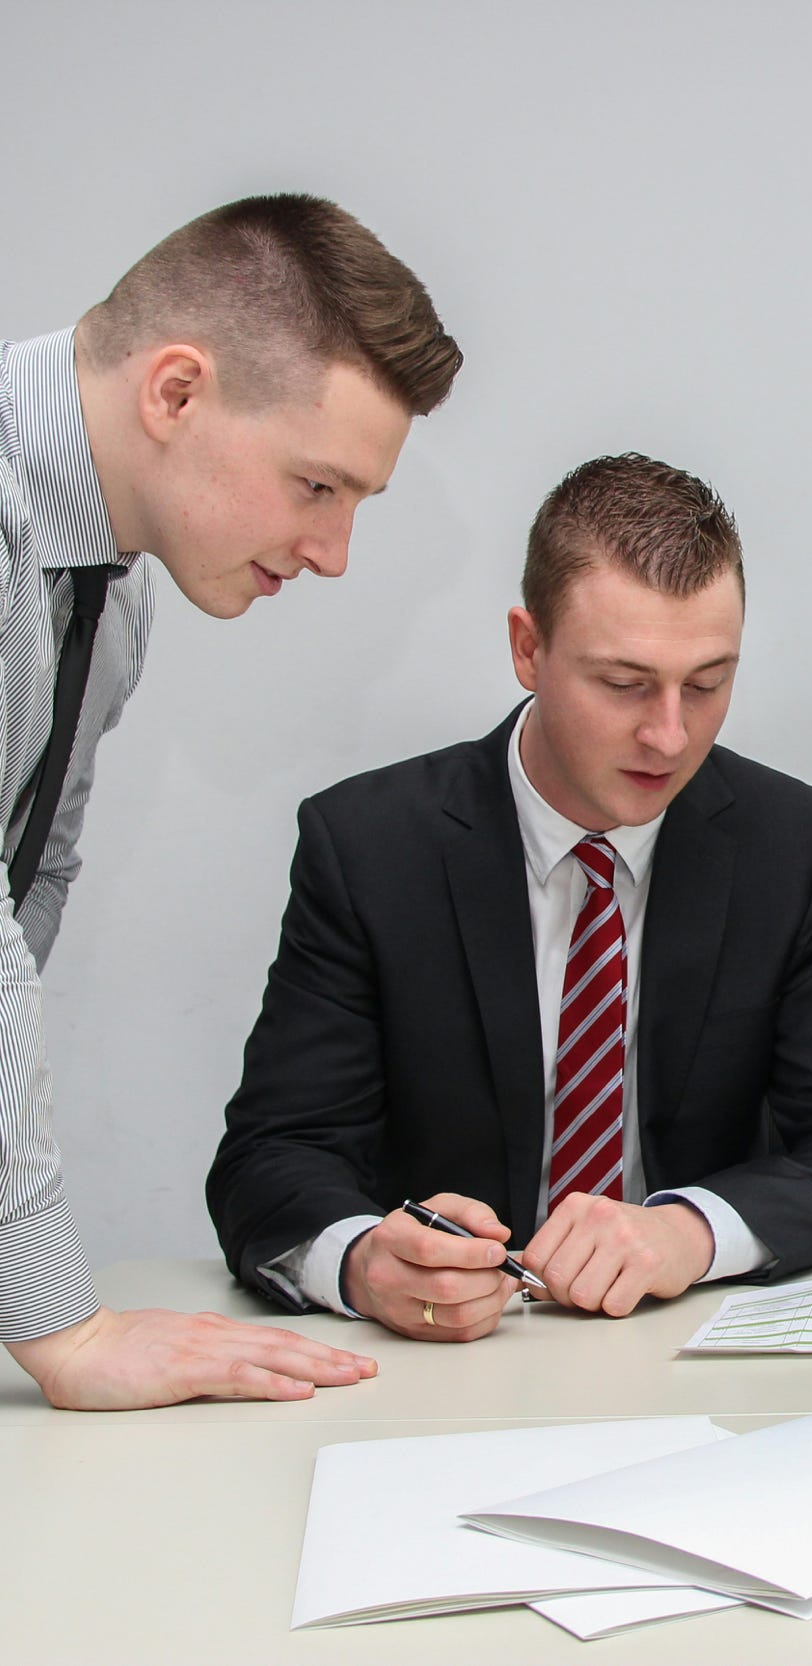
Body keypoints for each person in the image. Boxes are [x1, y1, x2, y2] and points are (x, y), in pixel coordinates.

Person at [206, 453, 812, 1340]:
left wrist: (687, 1232)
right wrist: (364, 1263)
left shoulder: (796, 846)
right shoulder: (369, 847)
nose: (669, 735)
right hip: (443, 1369)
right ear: (527, 648)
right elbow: (272, 1157)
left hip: (686, 1351)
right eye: (623, 684)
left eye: (707, 685)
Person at [0, 193, 462, 1408]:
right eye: (316, 485)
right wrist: (67, 1330)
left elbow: (26, 880)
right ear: (176, 392)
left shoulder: (112, 592)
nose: (334, 551)